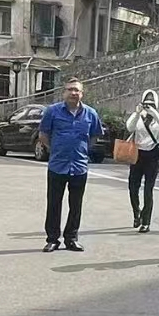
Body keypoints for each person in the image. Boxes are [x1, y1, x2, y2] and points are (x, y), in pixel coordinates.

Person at [38, 79, 104, 253]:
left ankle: (71, 238)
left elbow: (94, 136)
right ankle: (52, 239)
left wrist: (83, 150)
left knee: (76, 205)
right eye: (69, 89)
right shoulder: (52, 112)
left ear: (81, 94)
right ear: (64, 92)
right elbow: (43, 135)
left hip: (79, 166)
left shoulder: (91, 113)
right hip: (57, 166)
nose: (73, 93)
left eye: (76, 90)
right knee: (54, 204)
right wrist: (54, 150)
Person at [125, 89, 159, 234]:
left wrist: (155, 114)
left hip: (153, 156)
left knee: (148, 189)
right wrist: (137, 112)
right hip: (137, 154)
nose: (148, 106)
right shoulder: (137, 116)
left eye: (152, 104)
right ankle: (136, 213)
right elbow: (129, 127)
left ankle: (146, 221)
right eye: (146, 104)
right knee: (133, 187)